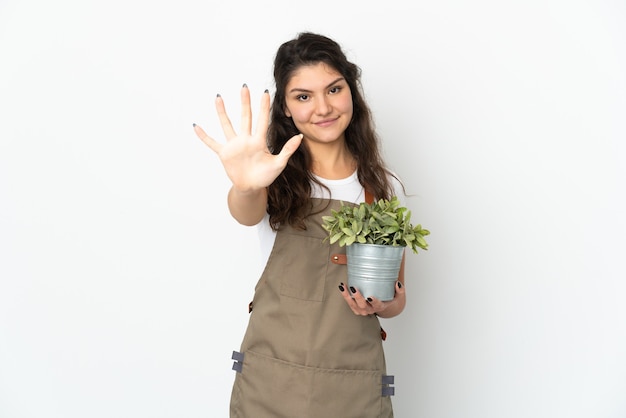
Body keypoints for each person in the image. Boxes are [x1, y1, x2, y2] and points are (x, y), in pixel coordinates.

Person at [194, 32, 408, 418]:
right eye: (303, 96)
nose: (322, 107)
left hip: (352, 388)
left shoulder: (381, 187)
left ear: (351, 93)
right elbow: (245, 212)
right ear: (287, 109)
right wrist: (245, 185)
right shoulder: (272, 174)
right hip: (271, 386)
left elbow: (397, 298)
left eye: (334, 89)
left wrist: (384, 302)